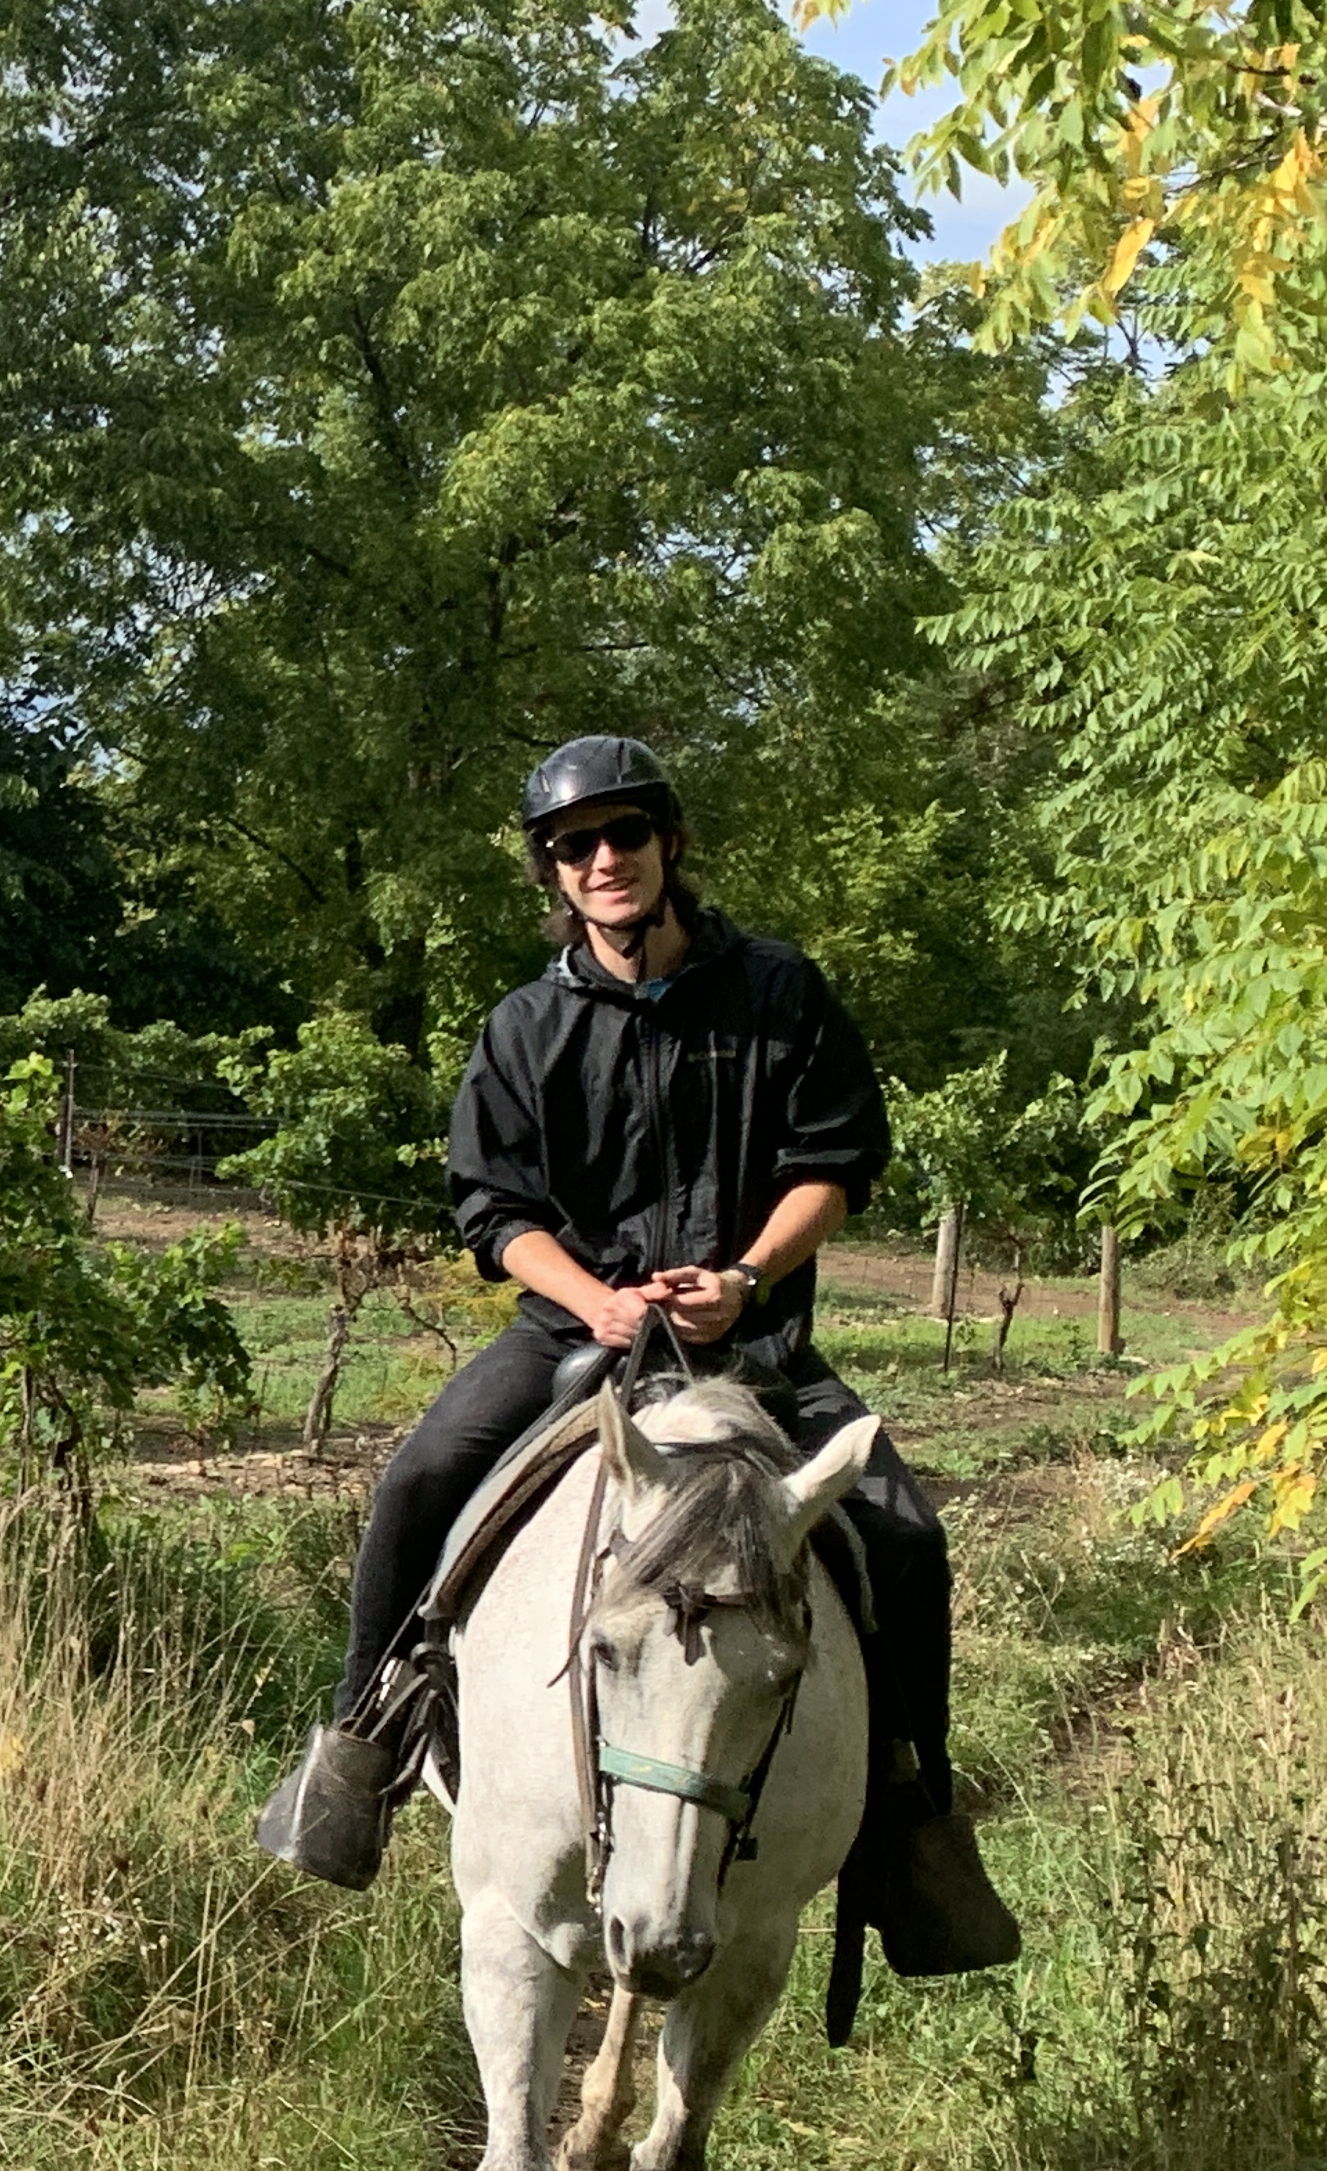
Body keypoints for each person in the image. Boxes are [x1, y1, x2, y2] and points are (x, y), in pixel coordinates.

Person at [258, 734, 1020, 1977]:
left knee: (904, 1535)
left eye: (624, 835)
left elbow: (834, 1164)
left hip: (753, 1341)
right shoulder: (524, 1028)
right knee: (419, 1480)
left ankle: (906, 1818)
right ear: (552, 874)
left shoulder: (780, 991)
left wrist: (745, 1279)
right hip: (571, 1331)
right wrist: (599, 1305)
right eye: (575, 845)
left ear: (670, 845)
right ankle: (363, 1746)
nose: (603, 860)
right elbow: (494, 1212)